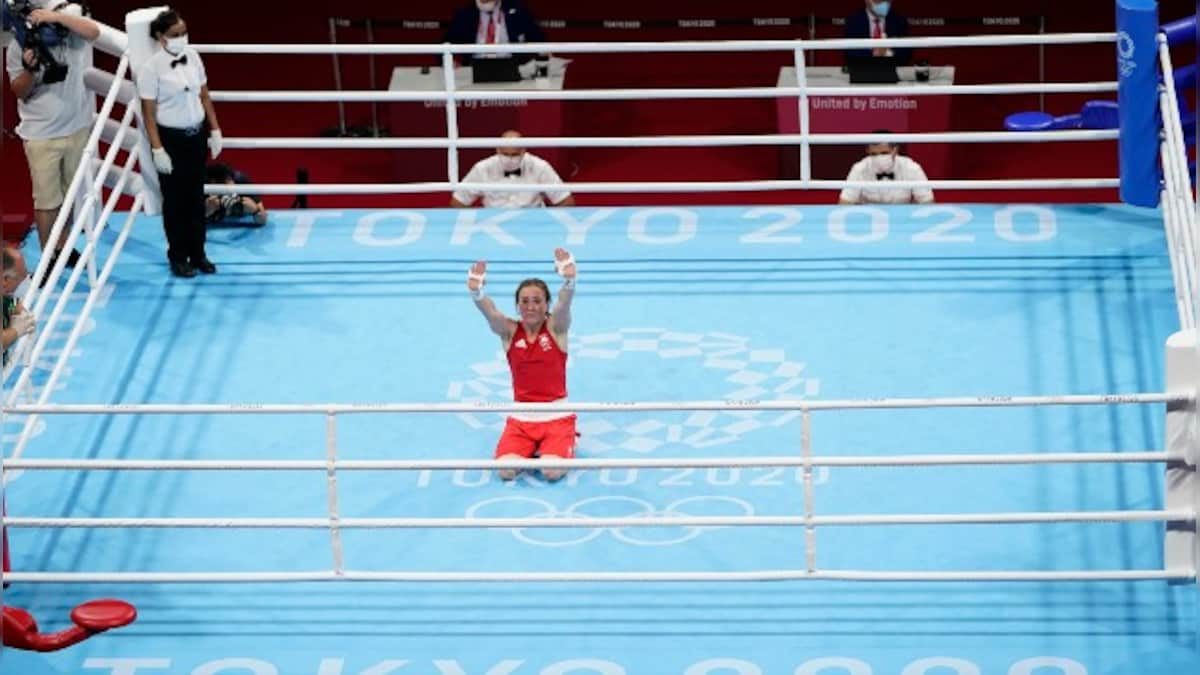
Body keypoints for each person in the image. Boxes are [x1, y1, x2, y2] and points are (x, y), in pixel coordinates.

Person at [5, 1, 98, 278]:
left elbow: (93, 31)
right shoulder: (17, 47)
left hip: (77, 128)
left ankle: (62, 246)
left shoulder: (73, 38)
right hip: (41, 135)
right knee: (47, 202)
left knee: (69, 197)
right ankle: (47, 257)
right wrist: (31, 71)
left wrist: (58, 17)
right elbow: (18, 91)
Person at [467, 248, 577, 482]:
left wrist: (568, 281)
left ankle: (560, 445)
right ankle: (538, 450)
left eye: (537, 301)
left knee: (551, 472)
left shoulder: (556, 328)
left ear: (546, 304)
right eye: (524, 301)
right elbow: (491, 313)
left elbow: (564, 306)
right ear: (517, 305)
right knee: (505, 472)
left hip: (557, 417)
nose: (530, 306)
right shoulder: (509, 332)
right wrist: (477, 293)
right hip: (521, 420)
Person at [136, 8, 223, 278]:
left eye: (184, 32)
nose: (182, 37)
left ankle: (199, 254)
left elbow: (205, 96)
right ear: (161, 37)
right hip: (170, 141)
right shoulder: (151, 69)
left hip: (196, 136)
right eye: (176, 34)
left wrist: (216, 129)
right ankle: (178, 256)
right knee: (175, 203)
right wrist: (158, 148)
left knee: (196, 199)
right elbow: (148, 114)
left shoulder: (194, 57)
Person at [450, 130, 575, 208]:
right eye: (505, 154)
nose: (510, 160)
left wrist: (548, 224)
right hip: (493, 223)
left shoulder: (540, 167)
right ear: (497, 150)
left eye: (514, 155)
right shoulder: (483, 168)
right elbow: (458, 202)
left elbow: (566, 201)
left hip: (532, 224)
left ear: (523, 151)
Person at [838, 131, 935, 205]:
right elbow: (844, 203)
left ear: (895, 150)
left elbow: (927, 203)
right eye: (874, 154)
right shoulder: (859, 169)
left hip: (903, 222)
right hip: (868, 223)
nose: (879, 158)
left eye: (884, 153)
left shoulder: (911, 168)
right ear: (867, 151)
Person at [443, 0, 546, 65]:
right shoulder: (464, 13)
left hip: (511, 65)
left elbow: (537, 37)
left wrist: (544, 51)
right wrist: (448, 61)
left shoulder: (517, 9)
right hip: (475, 67)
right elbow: (445, 43)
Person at [844, 0, 912, 65]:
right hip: (863, 69)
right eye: (879, 1)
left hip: (890, 68)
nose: (884, 5)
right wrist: (874, 53)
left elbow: (906, 52)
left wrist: (889, 53)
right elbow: (849, 52)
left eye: (887, 1)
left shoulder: (899, 20)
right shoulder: (854, 21)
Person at [2, 246, 37, 365]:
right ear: (5, 280)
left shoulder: (6, 294)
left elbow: (11, 304)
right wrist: (17, 329)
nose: (26, 281)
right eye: (22, 277)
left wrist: (19, 312)